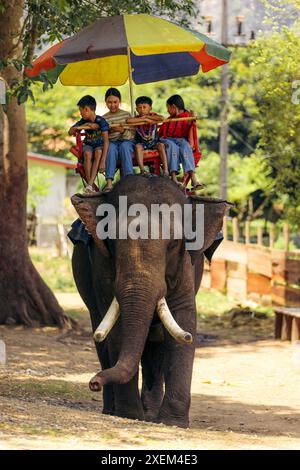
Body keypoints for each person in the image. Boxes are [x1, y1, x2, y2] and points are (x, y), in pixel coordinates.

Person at [159, 94, 202, 190]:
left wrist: (192, 121)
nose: (167, 110)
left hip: (181, 140)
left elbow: (187, 131)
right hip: (168, 140)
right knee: (172, 146)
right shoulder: (169, 119)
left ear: (173, 107)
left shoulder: (187, 117)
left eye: (168, 107)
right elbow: (161, 134)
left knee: (186, 146)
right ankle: (173, 177)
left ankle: (193, 178)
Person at [69, 95, 109, 193]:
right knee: (87, 154)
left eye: (80, 110)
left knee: (98, 152)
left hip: (99, 145)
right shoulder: (83, 121)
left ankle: (90, 184)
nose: (80, 113)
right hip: (88, 144)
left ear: (86, 109)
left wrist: (103, 160)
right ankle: (90, 185)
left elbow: (106, 140)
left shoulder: (101, 121)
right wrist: (84, 126)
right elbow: (70, 132)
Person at [126, 96, 169, 177]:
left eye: (144, 107)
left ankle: (166, 171)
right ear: (136, 109)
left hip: (154, 142)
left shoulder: (153, 115)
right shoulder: (137, 118)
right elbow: (128, 121)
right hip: (142, 143)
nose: (142, 110)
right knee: (138, 147)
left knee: (161, 145)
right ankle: (142, 170)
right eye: (139, 108)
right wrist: (144, 120)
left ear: (150, 108)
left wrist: (147, 117)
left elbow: (161, 118)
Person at [102, 88, 135, 192]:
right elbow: (102, 136)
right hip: (112, 142)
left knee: (124, 146)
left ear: (119, 101)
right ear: (105, 102)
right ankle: (109, 182)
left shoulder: (127, 115)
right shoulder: (104, 118)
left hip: (127, 141)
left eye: (115, 102)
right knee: (111, 148)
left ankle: (129, 179)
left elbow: (132, 135)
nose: (112, 105)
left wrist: (122, 131)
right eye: (109, 102)